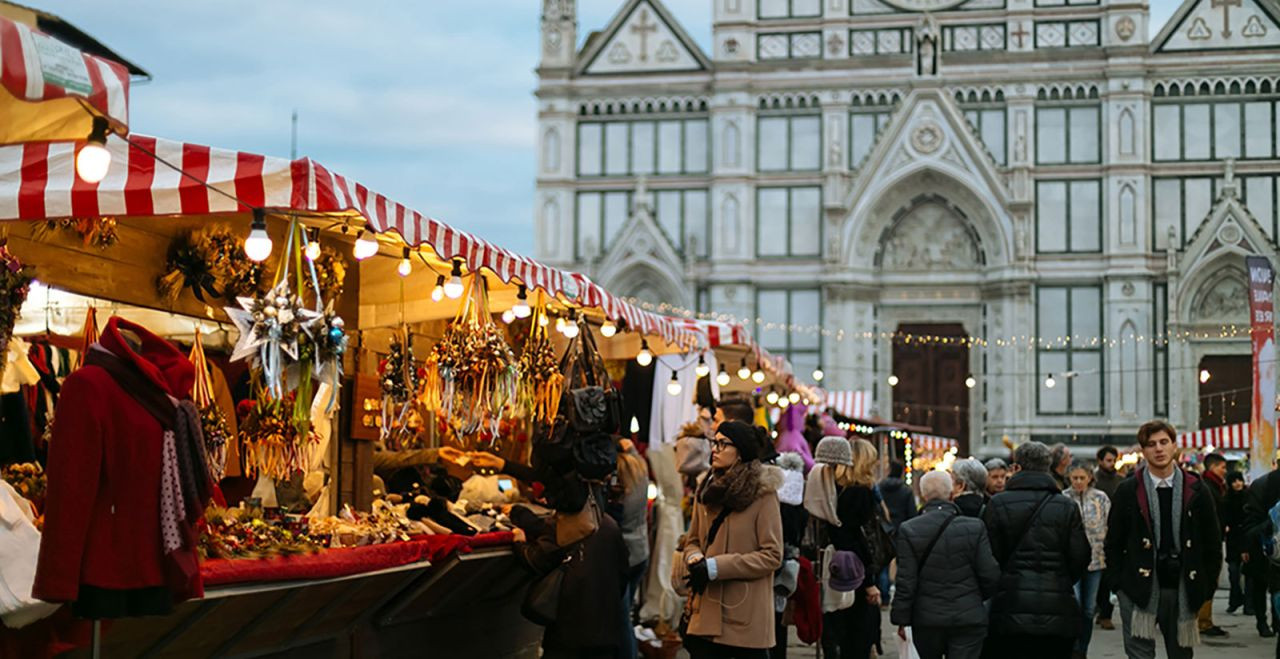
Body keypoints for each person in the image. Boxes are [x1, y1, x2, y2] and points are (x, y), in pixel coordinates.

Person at [1104, 420, 1222, 659]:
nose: (1158, 449)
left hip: (1182, 586)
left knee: (1181, 654)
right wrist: (1118, 585)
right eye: (1151, 444)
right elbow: (1113, 542)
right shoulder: (1129, 490)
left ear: (1174, 446)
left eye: (1164, 442)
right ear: (1143, 450)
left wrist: (1206, 586)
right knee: (1139, 654)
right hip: (1138, 589)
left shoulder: (1196, 489)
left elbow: (1212, 541)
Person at [682, 421, 784, 658]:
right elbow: (692, 540)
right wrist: (694, 556)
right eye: (714, 442)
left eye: (722, 443)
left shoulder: (763, 494)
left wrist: (717, 566)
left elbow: (772, 555)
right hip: (705, 614)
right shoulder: (706, 491)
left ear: (740, 452)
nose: (714, 449)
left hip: (743, 619)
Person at [983, 441, 1090, 659]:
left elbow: (989, 555)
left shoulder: (998, 504)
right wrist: (1061, 578)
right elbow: (1080, 555)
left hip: (1009, 605)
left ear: (1016, 468)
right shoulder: (1066, 505)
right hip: (1058, 606)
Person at [511, 477, 630, 658]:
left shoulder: (565, 527)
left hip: (569, 633)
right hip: (606, 633)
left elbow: (536, 561)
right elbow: (623, 576)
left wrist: (519, 543)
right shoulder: (610, 525)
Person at [891, 470, 1001, 659]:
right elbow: (990, 574)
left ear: (923, 495)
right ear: (952, 494)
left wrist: (902, 619)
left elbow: (906, 580)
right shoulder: (974, 527)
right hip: (968, 617)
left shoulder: (909, 529)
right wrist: (973, 596)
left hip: (927, 619)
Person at [818, 438, 885, 659]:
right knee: (856, 639)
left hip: (838, 569)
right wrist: (869, 583)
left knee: (838, 633)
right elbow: (855, 538)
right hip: (855, 573)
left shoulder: (836, 490)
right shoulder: (859, 492)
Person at [1063, 461, 1110, 659]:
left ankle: (1083, 649)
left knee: (1089, 609)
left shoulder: (1101, 499)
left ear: (1090, 478)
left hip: (1096, 561)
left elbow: (1108, 524)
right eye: (1075, 478)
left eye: (1082, 478)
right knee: (1073, 607)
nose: (1079, 482)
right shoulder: (1063, 498)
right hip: (1070, 562)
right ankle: (1072, 648)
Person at [611, 438, 651, 659]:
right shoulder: (639, 468)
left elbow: (614, 518)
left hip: (625, 555)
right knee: (625, 613)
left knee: (621, 618)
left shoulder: (618, 477)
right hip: (640, 552)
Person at [1243, 460, 1280, 641]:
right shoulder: (1263, 485)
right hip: (1264, 548)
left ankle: (1272, 622)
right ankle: (1263, 621)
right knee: (1262, 586)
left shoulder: (1261, 483)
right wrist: (1273, 521)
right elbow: (1251, 524)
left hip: (1266, 549)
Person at [1196, 453, 1229, 637]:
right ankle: (1203, 622)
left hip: (1213, 539)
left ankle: (1204, 620)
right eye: (1222, 467)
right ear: (1212, 467)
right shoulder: (1208, 487)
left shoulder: (1216, 486)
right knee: (1208, 580)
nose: (1225, 471)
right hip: (1208, 542)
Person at [878, 459, 916, 606]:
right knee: (903, 564)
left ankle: (884, 595)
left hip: (883, 529)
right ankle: (900, 598)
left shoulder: (879, 487)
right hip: (901, 530)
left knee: (883, 563)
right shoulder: (906, 490)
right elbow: (911, 513)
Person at [1093, 445, 1122, 630]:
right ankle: (1098, 607)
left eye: (1113, 460)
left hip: (1115, 533)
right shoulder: (1094, 481)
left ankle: (1106, 614)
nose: (1111, 464)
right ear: (1100, 461)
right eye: (1108, 460)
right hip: (1096, 534)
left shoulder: (1120, 481)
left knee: (1111, 575)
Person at [1222, 471, 1248, 615]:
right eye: (1234, 481)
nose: (1238, 484)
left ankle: (1247, 603)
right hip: (1233, 540)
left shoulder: (1249, 497)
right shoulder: (1226, 499)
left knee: (1248, 574)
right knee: (1233, 572)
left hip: (1246, 538)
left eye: (1240, 480)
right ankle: (1235, 599)